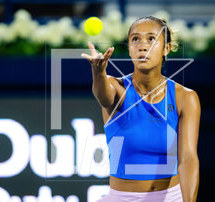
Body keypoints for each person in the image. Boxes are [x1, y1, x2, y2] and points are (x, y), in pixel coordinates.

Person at [81, 16, 200, 202]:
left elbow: (188, 159)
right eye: (135, 39)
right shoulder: (116, 87)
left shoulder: (185, 98)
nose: (142, 46)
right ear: (129, 48)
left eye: (151, 39)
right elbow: (102, 95)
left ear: (166, 49)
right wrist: (98, 73)